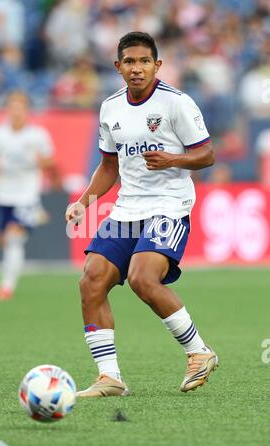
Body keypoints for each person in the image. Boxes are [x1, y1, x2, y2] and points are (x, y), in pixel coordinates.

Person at [66, 32, 219, 396]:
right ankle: (110, 377)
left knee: (142, 277)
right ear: (118, 67)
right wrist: (83, 201)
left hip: (168, 204)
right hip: (126, 208)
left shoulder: (176, 103)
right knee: (91, 280)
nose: (137, 69)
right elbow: (108, 166)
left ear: (157, 65)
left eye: (144, 62)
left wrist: (174, 159)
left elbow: (208, 154)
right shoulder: (111, 108)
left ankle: (199, 352)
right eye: (130, 62)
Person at [0, 90, 59, 301]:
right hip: (3, 193)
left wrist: (40, 162)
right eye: (12, 108)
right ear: (7, 110)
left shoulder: (37, 134)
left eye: (20, 108)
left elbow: (50, 162)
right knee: (3, 240)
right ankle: (36, 215)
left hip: (26, 192)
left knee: (13, 237)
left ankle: (6, 287)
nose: (16, 112)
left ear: (27, 110)